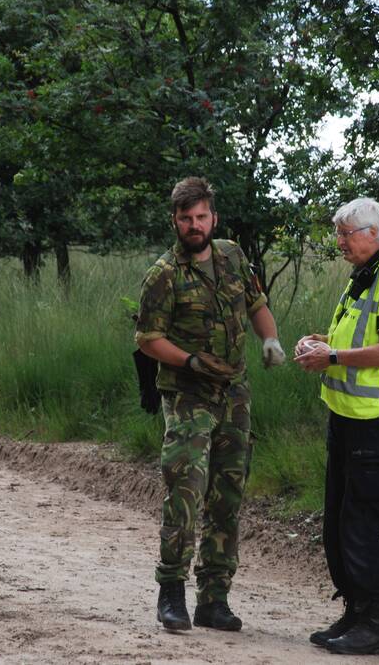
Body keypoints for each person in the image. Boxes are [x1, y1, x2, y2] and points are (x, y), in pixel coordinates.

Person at [135, 176, 286, 633]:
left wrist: (271, 339)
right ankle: (171, 593)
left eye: (201, 217)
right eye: (186, 218)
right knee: (185, 489)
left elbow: (256, 303)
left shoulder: (233, 256)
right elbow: (147, 339)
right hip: (188, 395)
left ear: (213, 218)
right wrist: (190, 360)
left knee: (227, 495)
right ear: (175, 221)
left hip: (234, 394)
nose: (195, 225)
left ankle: (214, 598)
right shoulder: (164, 274)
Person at [294, 197, 379, 656]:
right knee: (336, 521)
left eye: (346, 234)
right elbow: (354, 338)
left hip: (373, 420)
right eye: (338, 234)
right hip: (345, 416)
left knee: (360, 524)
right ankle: (353, 612)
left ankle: (374, 624)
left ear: (372, 233)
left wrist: (330, 357)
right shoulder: (363, 275)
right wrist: (319, 343)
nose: (340, 242)